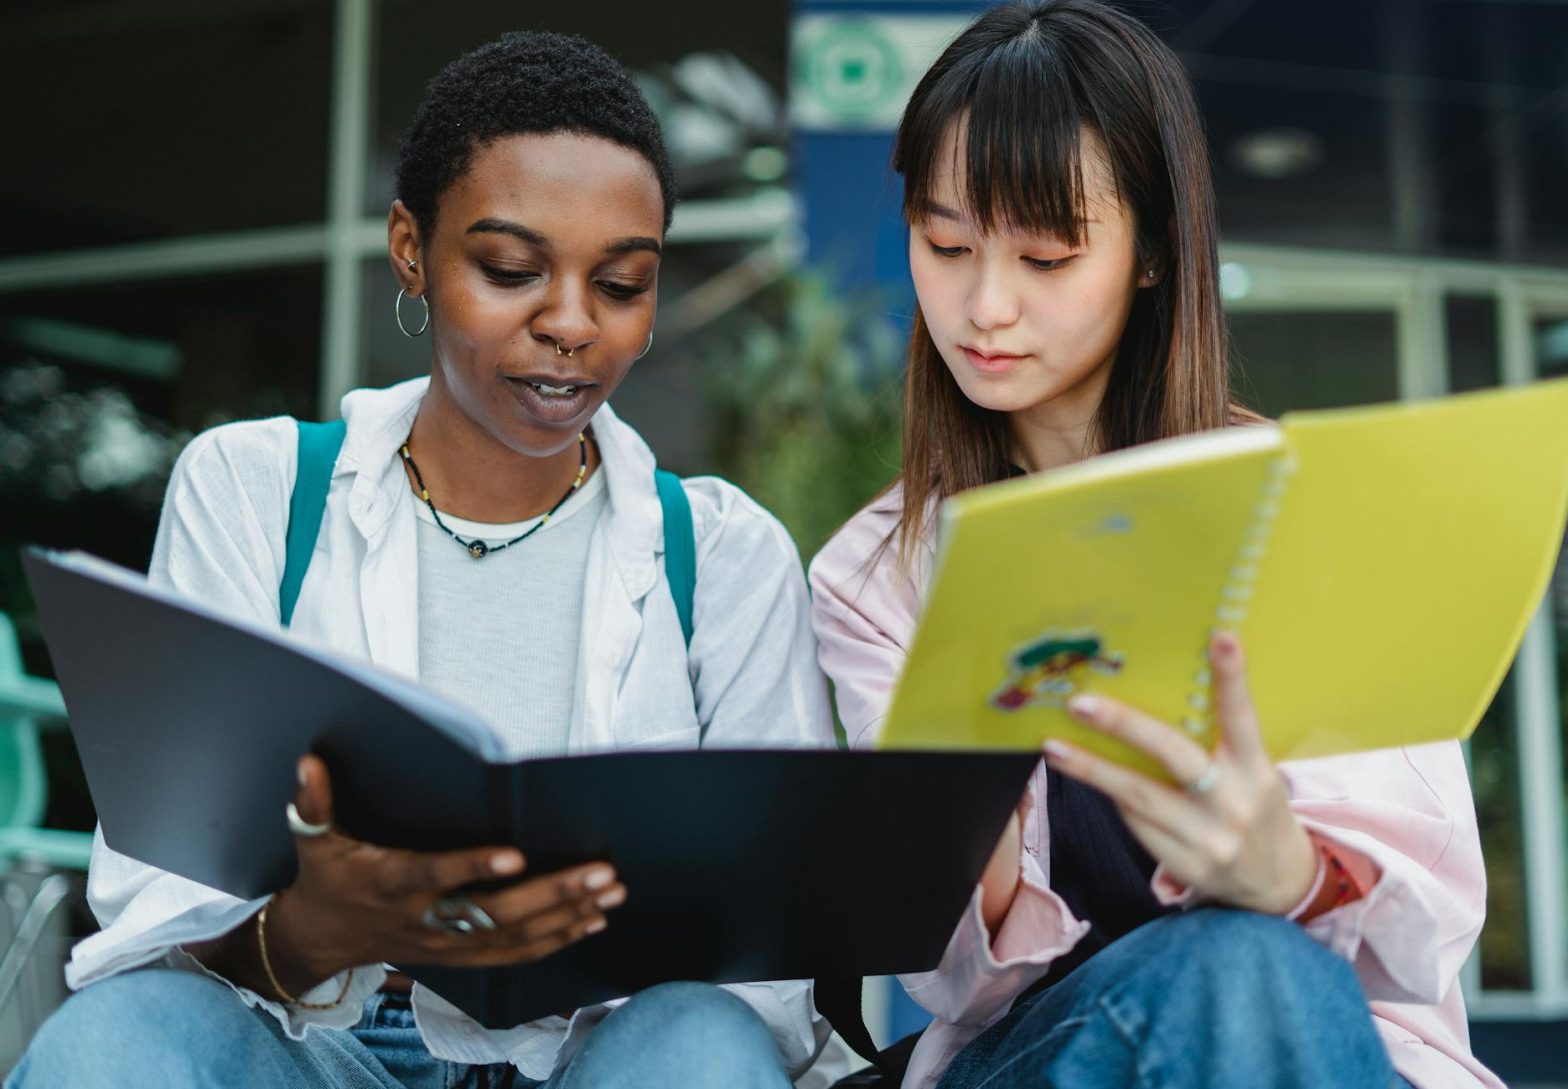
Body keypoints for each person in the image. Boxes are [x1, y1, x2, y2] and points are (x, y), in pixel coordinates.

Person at [11, 31, 841, 1089]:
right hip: (314, 1047)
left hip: (598, 1060)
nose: (572, 325)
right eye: (509, 269)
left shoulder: (721, 555)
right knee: (112, 1043)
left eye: (623, 284)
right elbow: (153, 924)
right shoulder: (259, 493)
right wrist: (318, 930)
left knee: (704, 1050)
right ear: (410, 247)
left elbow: (768, 968)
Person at [808, 3, 1501, 1087]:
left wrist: (1282, 870)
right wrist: (967, 763)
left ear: (1149, 254)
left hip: (1310, 1042)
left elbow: (1429, 922)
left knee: (1243, 968)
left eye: (1046, 255)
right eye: (944, 245)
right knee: (1225, 971)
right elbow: (952, 981)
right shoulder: (875, 576)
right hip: (1043, 1053)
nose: (982, 305)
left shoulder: (1305, 512)